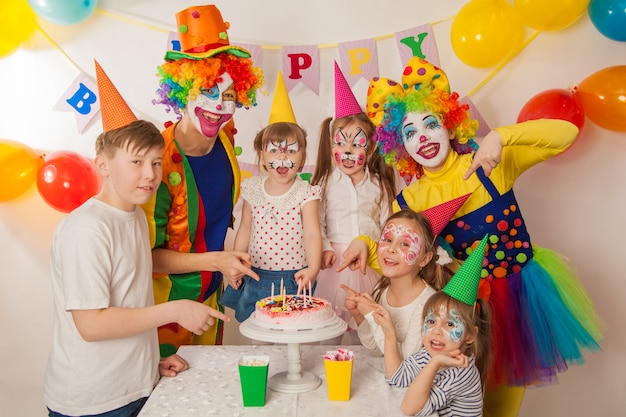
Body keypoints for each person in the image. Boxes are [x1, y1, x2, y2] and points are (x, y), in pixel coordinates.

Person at [342, 57, 603, 417]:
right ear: (401, 146)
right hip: (465, 313)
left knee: (505, 408)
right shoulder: (410, 198)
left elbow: (566, 134)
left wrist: (499, 136)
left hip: (522, 299)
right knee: (469, 403)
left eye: (430, 124)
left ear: (450, 126)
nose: (423, 138)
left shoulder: (490, 164)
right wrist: (364, 243)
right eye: (410, 132)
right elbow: (402, 259)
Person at [43, 62, 229, 417]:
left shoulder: (132, 216)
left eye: (157, 163)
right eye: (136, 162)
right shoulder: (87, 229)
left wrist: (152, 359)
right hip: (94, 401)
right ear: (103, 165)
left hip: (137, 386)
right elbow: (92, 324)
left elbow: (140, 271)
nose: (150, 174)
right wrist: (175, 310)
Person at [145, 5, 265, 355]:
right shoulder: (159, 160)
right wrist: (215, 260)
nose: (218, 105)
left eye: (228, 95)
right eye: (208, 91)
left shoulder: (226, 141)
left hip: (211, 303)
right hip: (165, 309)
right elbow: (146, 257)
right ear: (182, 91)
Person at [219, 72, 322, 322]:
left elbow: (311, 233)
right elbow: (245, 228)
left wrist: (314, 268)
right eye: (273, 151)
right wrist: (237, 264)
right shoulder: (253, 189)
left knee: (292, 329)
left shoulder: (306, 193)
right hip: (256, 274)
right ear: (262, 157)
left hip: (295, 277)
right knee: (258, 328)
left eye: (291, 151)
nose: (282, 159)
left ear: (303, 157)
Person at [311, 62, 403, 330]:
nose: (348, 150)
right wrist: (326, 248)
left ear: (372, 148)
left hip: (369, 263)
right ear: (331, 145)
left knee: (368, 325)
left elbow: (389, 225)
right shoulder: (326, 182)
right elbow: (318, 222)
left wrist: (383, 252)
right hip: (335, 264)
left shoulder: (379, 185)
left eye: (357, 143)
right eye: (340, 143)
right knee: (329, 323)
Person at [383, 235, 491, 417]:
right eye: (431, 321)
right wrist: (389, 333)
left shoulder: (460, 372)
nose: (437, 331)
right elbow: (397, 379)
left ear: (470, 336)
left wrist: (435, 363)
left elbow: (410, 409)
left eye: (450, 324)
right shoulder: (428, 354)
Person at [341, 209, 458, 359]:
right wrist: (360, 317)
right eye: (388, 240)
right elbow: (376, 350)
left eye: (404, 244)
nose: (391, 249)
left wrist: (372, 315)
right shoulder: (381, 289)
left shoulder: (428, 304)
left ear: (425, 259)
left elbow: (405, 360)